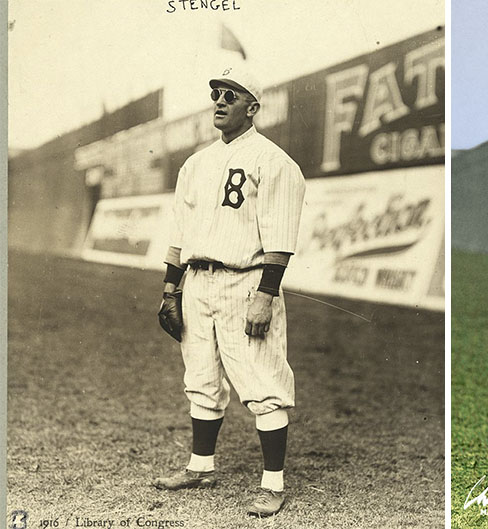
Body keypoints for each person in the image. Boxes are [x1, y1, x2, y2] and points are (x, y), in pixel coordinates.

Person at [153, 65, 306, 518]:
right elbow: (179, 232)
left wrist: (266, 294)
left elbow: (280, 238)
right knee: (200, 377)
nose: (219, 101)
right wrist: (169, 289)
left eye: (231, 95)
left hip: (246, 281)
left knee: (263, 381)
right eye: (216, 93)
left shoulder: (274, 161)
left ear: (252, 108)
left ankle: (273, 485)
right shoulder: (196, 163)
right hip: (197, 281)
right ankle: (201, 466)